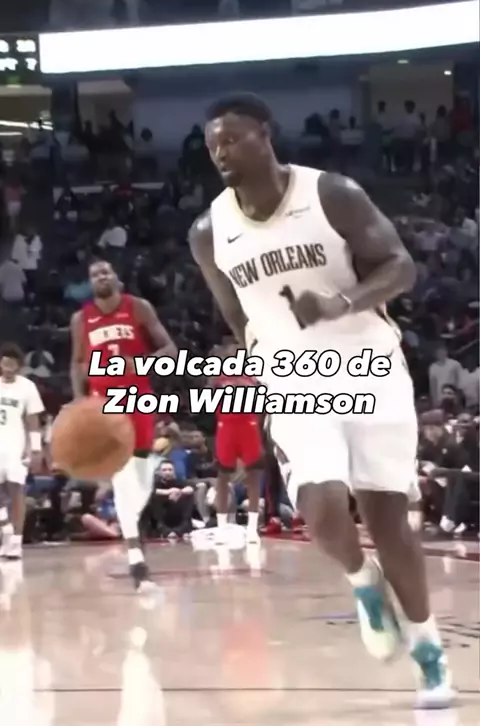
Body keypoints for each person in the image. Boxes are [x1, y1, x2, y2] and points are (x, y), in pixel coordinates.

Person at [188, 93, 455, 709]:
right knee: (322, 508)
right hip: (293, 377)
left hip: (369, 364)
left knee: (388, 520)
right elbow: (236, 316)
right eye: (212, 145)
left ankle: (428, 650)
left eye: (232, 138)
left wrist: (341, 302)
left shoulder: (331, 194)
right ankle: (363, 580)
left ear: (265, 133)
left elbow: (400, 267)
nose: (221, 152)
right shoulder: (208, 232)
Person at [69, 259, 176, 591]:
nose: (101, 277)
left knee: (139, 478)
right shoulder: (81, 319)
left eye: (106, 272)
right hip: (105, 404)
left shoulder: (138, 307)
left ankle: (133, 533)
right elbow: (76, 363)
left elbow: (170, 350)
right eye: (94, 274)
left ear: (116, 277)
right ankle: (136, 558)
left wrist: (143, 363)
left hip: (139, 400)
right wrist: (80, 401)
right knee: (121, 475)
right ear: (90, 283)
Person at [210, 341, 263, 544]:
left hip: (248, 426)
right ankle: (221, 527)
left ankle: (252, 528)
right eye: (232, 352)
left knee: (253, 477)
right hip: (226, 426)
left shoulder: (253, 377)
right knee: (222, 478)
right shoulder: (219, 377)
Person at [0, 343, 44, 560]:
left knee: (17, 493)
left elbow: (32, 420)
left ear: (19, 366)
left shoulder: (27, 387)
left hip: (15, 447)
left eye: (13, 364)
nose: (8, 367)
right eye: (5, 363)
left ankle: (16, 541)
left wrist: (35, 449)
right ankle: (6, 527)